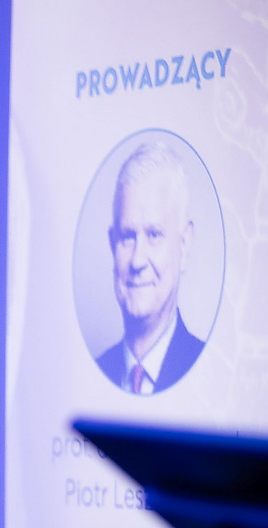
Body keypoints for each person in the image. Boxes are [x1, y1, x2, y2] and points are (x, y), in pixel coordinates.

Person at [96, 142, 205, 394]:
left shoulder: (214, 374)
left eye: (154, 235)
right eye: (127, 237)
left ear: (184, 244)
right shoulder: (94, 372)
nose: (137, 261)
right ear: (112, 244)